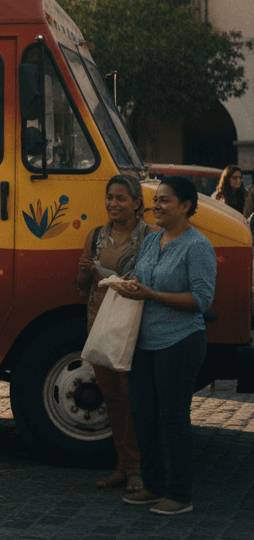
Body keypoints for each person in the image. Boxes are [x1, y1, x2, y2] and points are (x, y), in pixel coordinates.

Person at [109, 176, 216, 516]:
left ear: (186, 206)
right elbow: (144, 278)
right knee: (143, 415)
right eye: (156, 201)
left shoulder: (197, 246)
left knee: (173, 419)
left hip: (180, 342)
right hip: (145, 341)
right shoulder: (152, 240)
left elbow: (201, 300)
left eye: (165, 201)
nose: (156, 206)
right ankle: (153, 486)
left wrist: (151, 295)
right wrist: (131, 285)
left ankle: (180, 495)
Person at [76, 175, 155, 493]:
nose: (113, 203)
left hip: (135, 326)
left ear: (137, 204)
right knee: (112, 398)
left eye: (121, 198)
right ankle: (123, 465)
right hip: (100, 324)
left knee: (135, 399)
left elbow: (142, 280)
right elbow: (83, 287)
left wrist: (101, 274)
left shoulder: (150, 237)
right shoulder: (96, 235)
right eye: (109, 197)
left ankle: (139, 468)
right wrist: (84, 272)